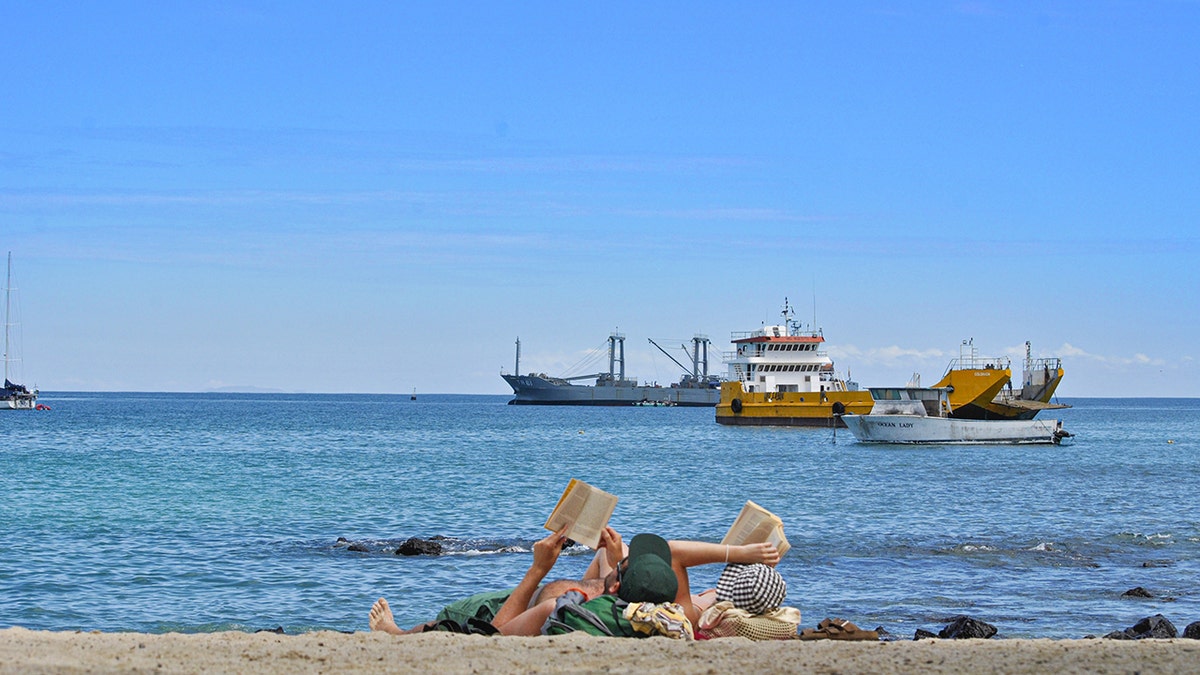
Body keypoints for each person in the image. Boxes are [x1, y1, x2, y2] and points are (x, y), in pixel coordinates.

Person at [370, 525, 781, 637]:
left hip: (512, 606)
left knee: (447, 624)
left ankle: (396, 632)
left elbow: (493, 634)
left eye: (624, 568)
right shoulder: (678, 610)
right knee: (602, 549)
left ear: (618, 586)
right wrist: (612, 556)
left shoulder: (568, 606)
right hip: (573, 592)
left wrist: (538, 570)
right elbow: (668, 558)